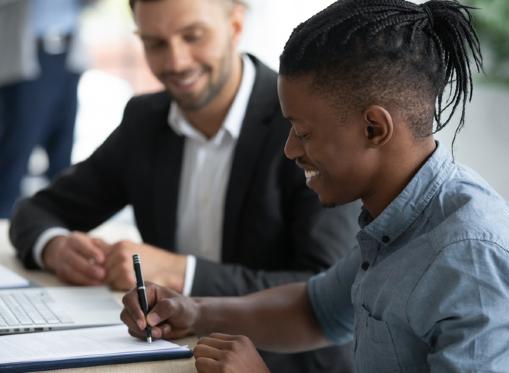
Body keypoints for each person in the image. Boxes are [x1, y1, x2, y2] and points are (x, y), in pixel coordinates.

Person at [120, 0, 509, 372]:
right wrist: (195, 312)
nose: (290, 149)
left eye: (303, 132)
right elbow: (316, 312)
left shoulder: (470, 262)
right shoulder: (397, 214)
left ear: (374, 128)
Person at [9, 0, 359, 371]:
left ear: (236, 24)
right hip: (172, 357)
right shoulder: (146, 120)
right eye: (155, 43)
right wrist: (55, 247)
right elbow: (36, 211)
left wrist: (183, 274)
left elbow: (327, 287)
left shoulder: (302, 123)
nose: (175, 62)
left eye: (192, 36)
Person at [0, 0, 94, 218]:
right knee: (17, 150)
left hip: (67, 55)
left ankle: (59, 224)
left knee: (62, 151)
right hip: (27, 57)